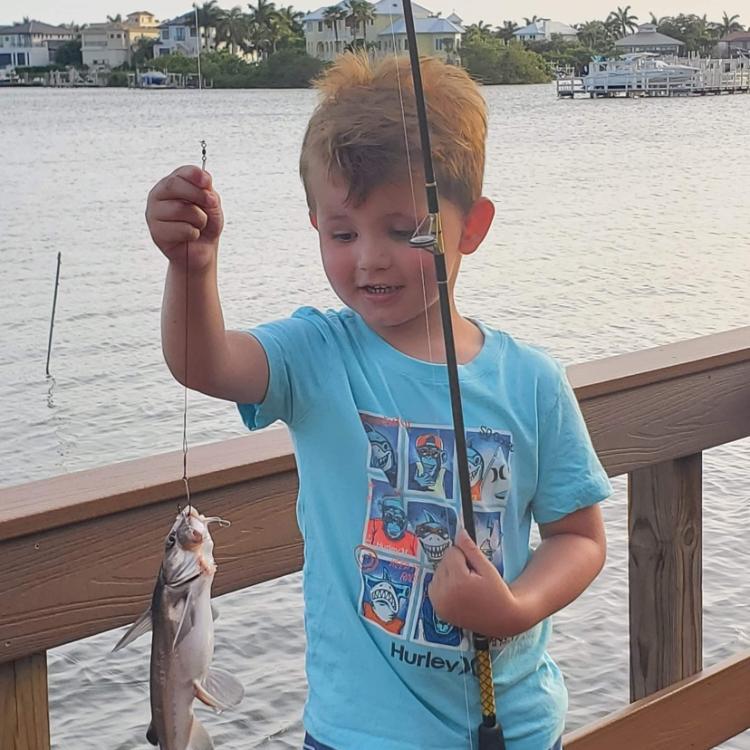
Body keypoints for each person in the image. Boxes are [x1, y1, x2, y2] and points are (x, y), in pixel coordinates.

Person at [146, 52, 610, 750]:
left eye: (404, 230)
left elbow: (579, 537)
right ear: (315, 225)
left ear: (473, 227)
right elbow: (202, 361)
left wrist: (515, 608)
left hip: (512, 729)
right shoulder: (316, 355)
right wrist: (191, 268)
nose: (370, 258)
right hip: (356, 734)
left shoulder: (533, 381)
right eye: (343, 233)